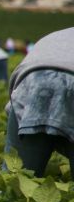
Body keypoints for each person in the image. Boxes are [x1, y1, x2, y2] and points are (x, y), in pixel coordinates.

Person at [5, 27, 74, 176]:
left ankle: (10, 197)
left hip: (32, 83)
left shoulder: (58, 34)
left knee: (16, 178)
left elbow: (14, 100)